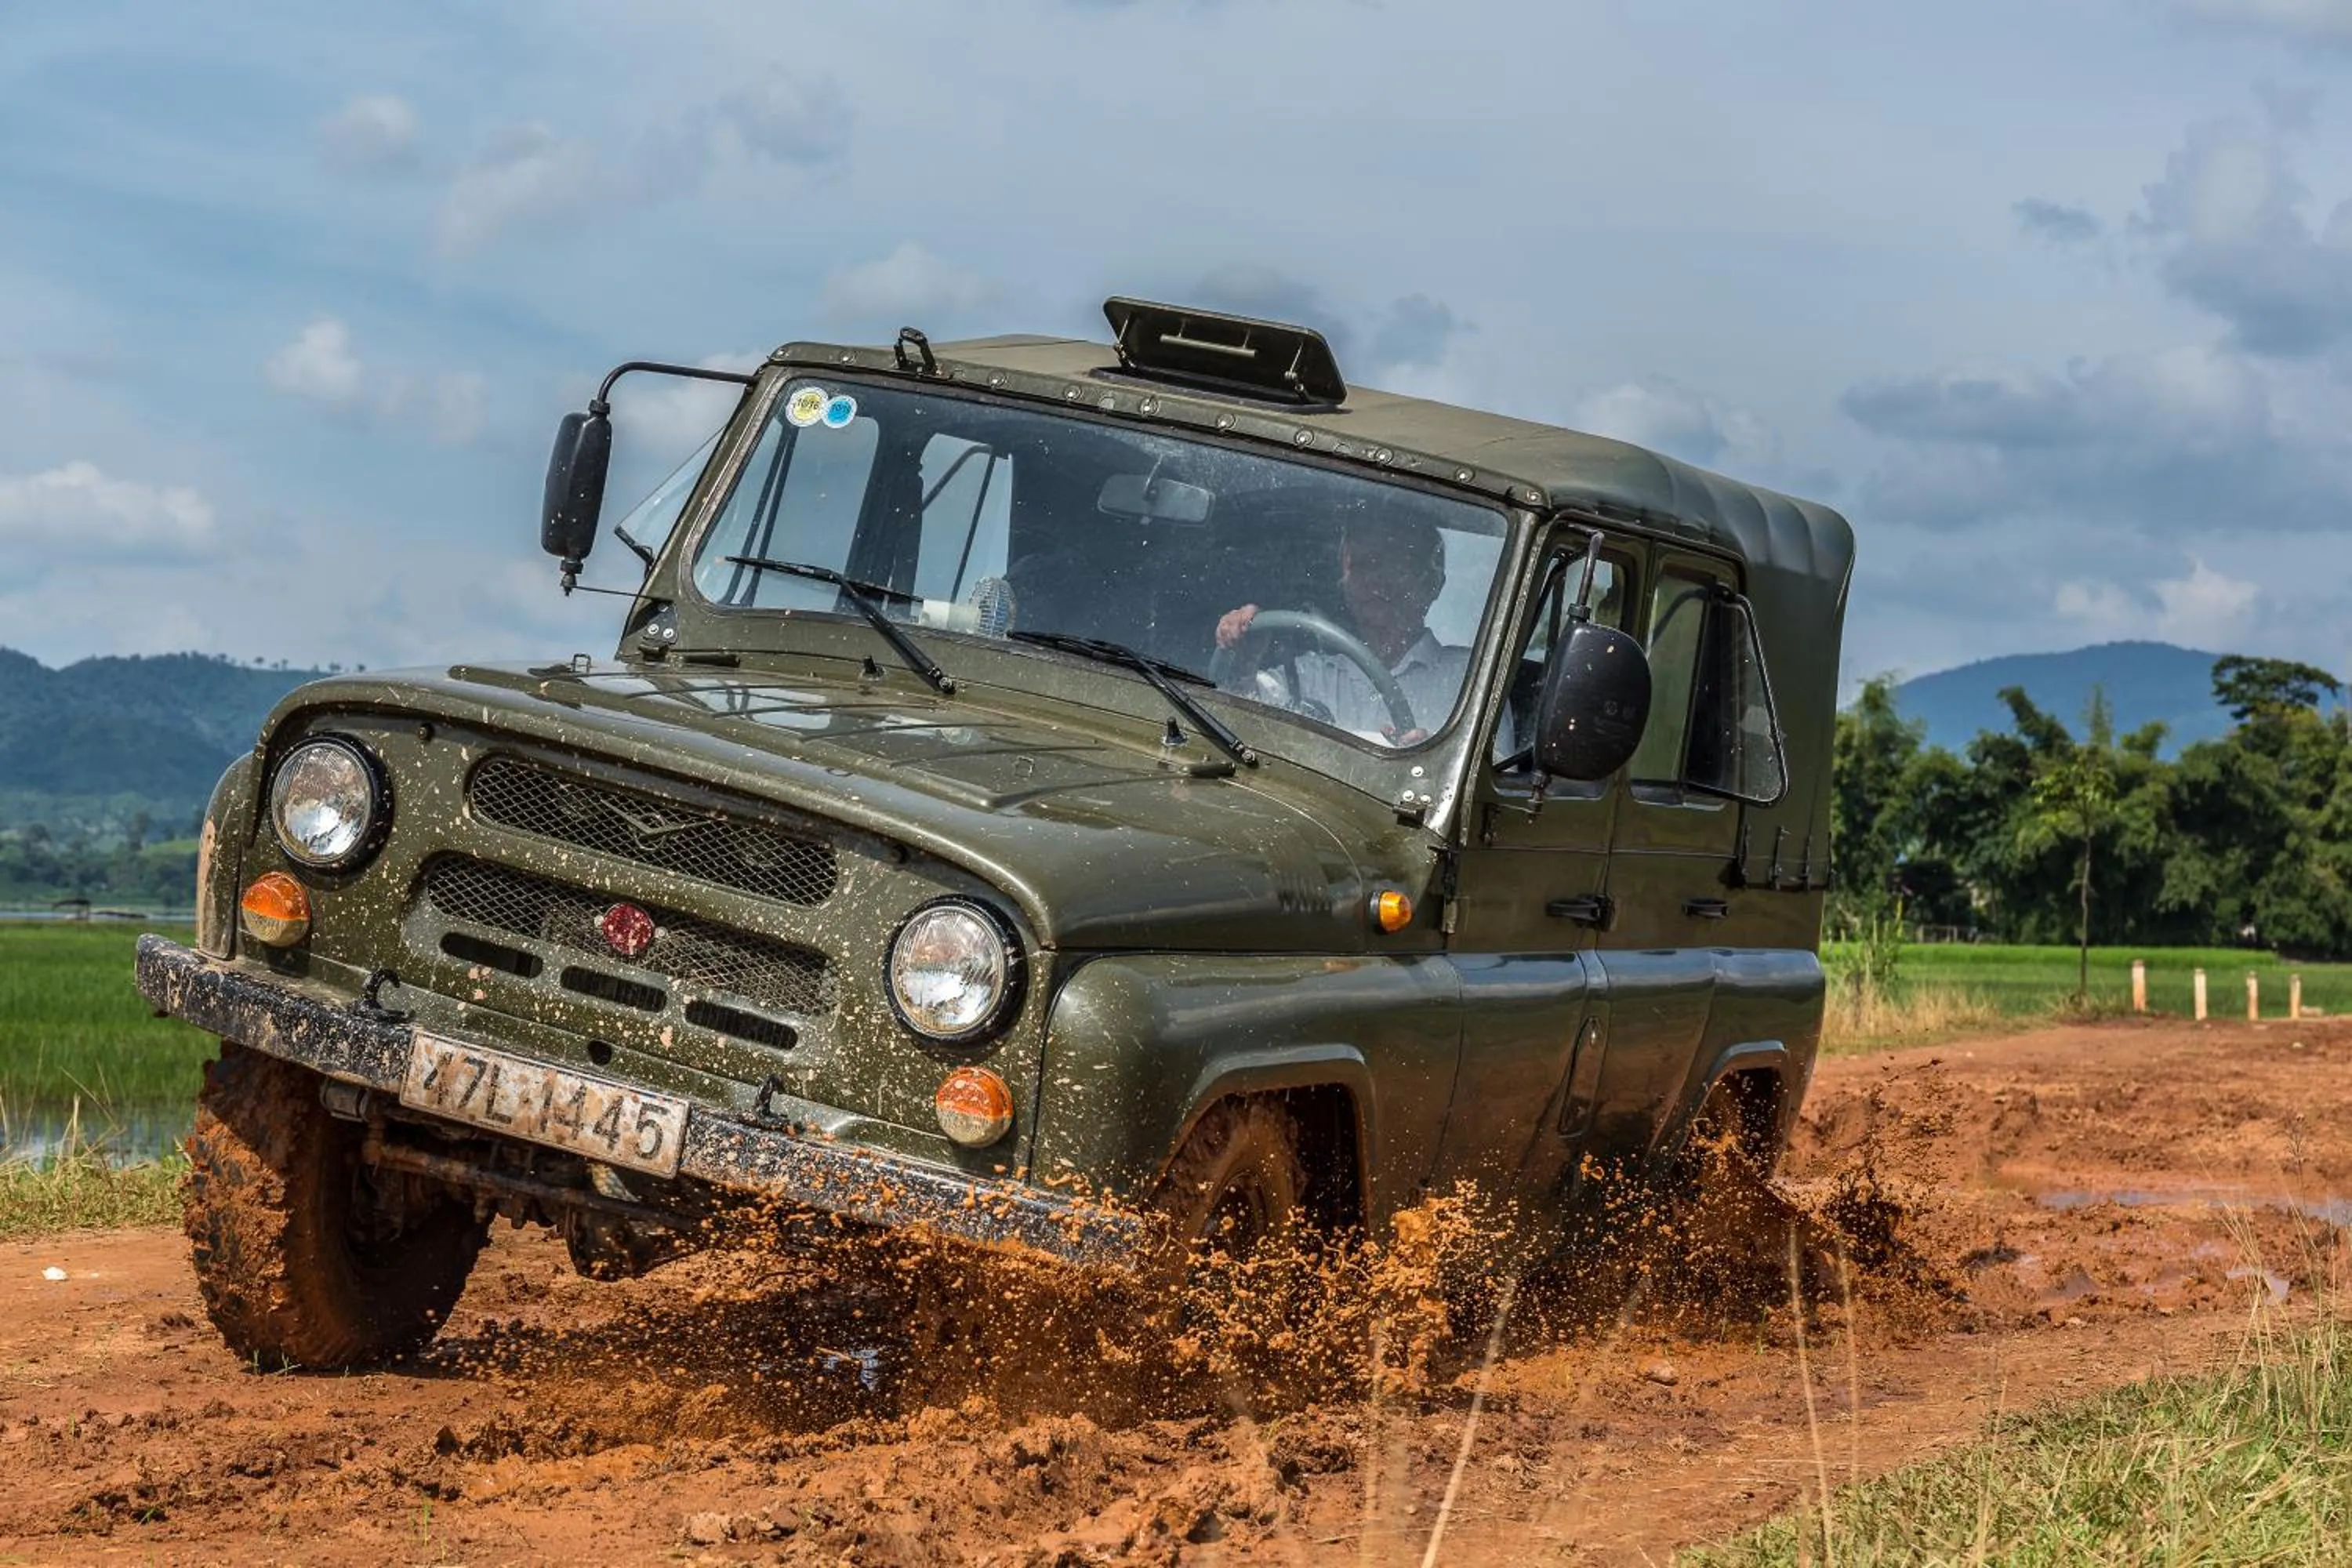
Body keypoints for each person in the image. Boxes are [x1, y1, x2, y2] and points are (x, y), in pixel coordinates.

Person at [1214, 512, 1467, 746]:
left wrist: (1437, 756)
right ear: (1344, 583)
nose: (1376, 580)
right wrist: (1244, 660)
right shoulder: (1307, 676)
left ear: (1433, 584)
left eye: (1396, 566)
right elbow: (1235, 725)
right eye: (1363, 565)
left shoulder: (1469, 682)